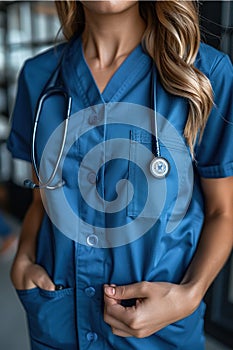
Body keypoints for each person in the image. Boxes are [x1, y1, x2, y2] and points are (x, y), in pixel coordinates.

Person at [7, 1, 233, 349]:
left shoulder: (205, 74)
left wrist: (188, 295)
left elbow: (223, 212)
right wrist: (22, 260)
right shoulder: (39, 77)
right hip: (60, 323)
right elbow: (43, 199)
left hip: (159, 334)